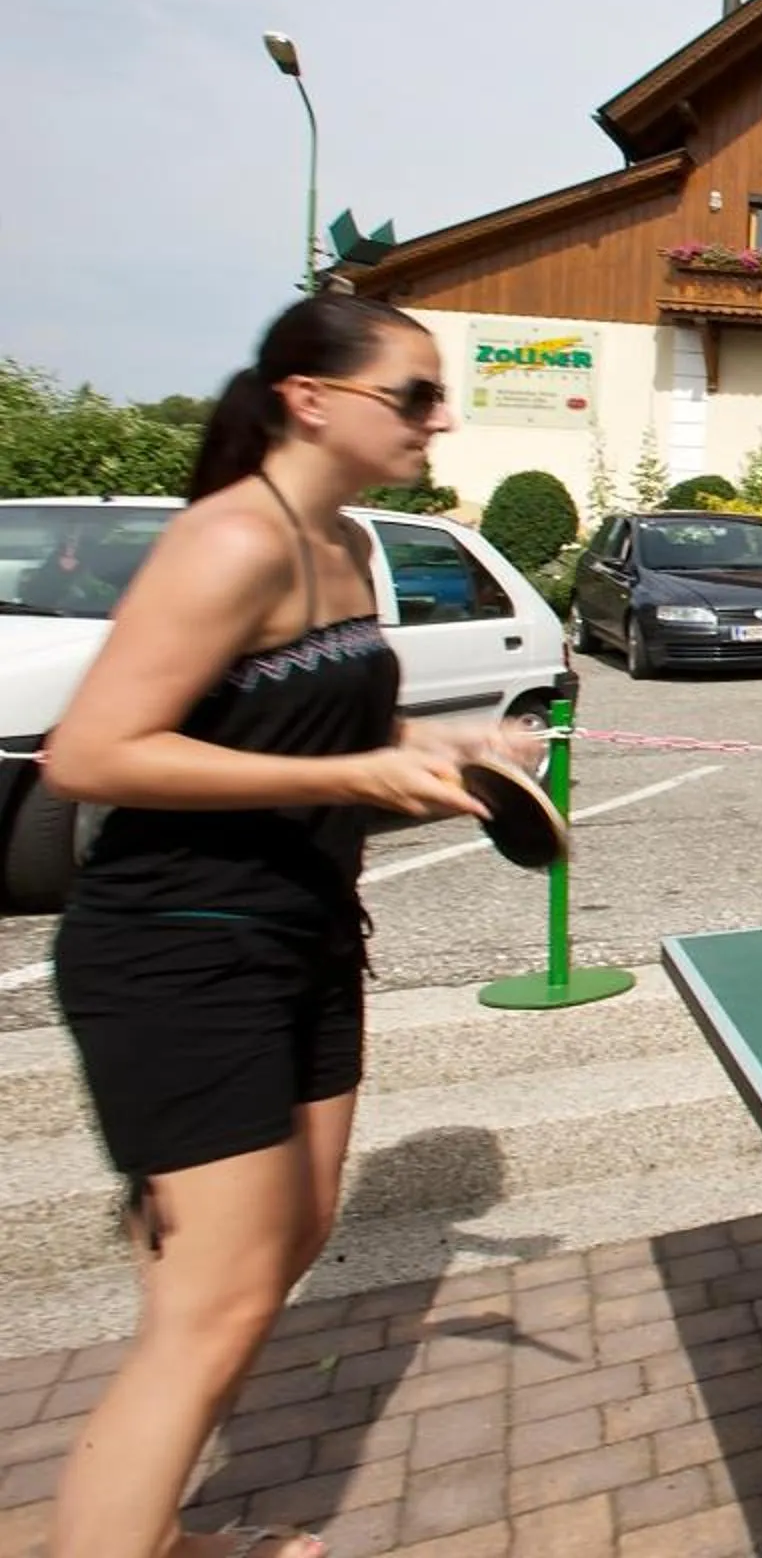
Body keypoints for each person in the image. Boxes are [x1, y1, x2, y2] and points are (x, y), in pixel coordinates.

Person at [43, 295, 525, 1558]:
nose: (441, 415)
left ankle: (149, 1529)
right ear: (313, 398)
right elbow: (89, 754)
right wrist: (350, 781)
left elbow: (318, 729)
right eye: (414, 394)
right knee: (213, 1302)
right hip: (179, 950)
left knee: (288, 1242)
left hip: (308, 933)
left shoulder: (353, 544)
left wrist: (448, 744)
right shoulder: (230, 541)